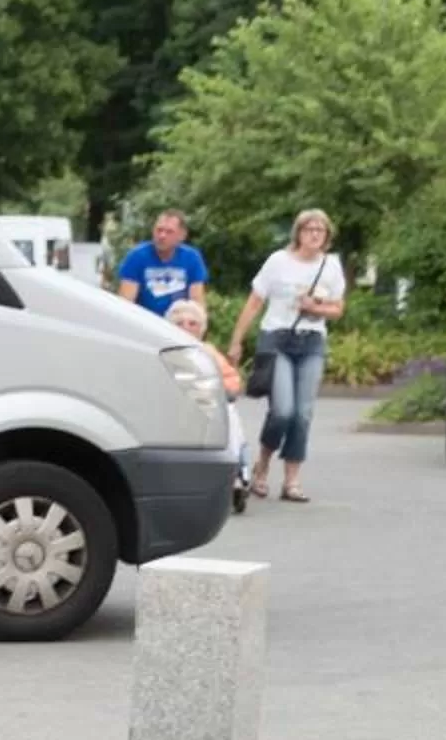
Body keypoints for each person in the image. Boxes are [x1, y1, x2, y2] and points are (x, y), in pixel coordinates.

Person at [226, 207, 348, 503]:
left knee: (303, 413)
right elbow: (255, 302)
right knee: (282, 411)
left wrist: (315, 308)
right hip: (277, 338)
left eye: (320, 230)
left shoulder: (331, 266)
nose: (315, 235)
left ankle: (292, 479)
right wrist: (237, 340)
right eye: (309, 229)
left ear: (327, 236)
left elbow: (337, 309)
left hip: (312, 341)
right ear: (298, 233)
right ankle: (263, 465)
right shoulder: (278, 261)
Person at [167, 300, 251, 512]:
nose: (186, 327)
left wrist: (224, 391)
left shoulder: (208, 353)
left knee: (230, 415)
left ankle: (237, 475)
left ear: (202, 329)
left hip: (208, 404)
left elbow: (231, 379)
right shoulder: (163, 351)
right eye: (179, 323)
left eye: (192, 323)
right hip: (174, 405)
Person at [115, 209, 209, 317]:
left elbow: (197, 304)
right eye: (159, 230)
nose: (162, 236)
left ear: (182, 235)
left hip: (178, 321)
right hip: (145, 320)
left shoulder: (192, 258)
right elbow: (126, 302)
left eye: (169, 232)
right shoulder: (137, 256)